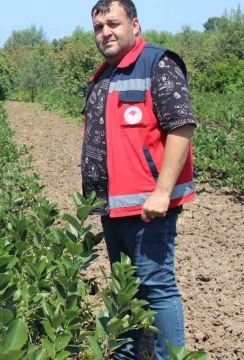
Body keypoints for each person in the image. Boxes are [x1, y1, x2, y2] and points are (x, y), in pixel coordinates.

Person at [82, 1, 196, 359]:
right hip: (113, 205)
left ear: (134, 24)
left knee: (157, 286)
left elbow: (181, 126)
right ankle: (126, 354)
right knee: (125, 287)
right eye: (99, 27)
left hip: (148, 206)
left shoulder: (158, 64)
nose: (105, 32)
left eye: (112, 23)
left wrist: (162, 193)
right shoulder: (102, 75)